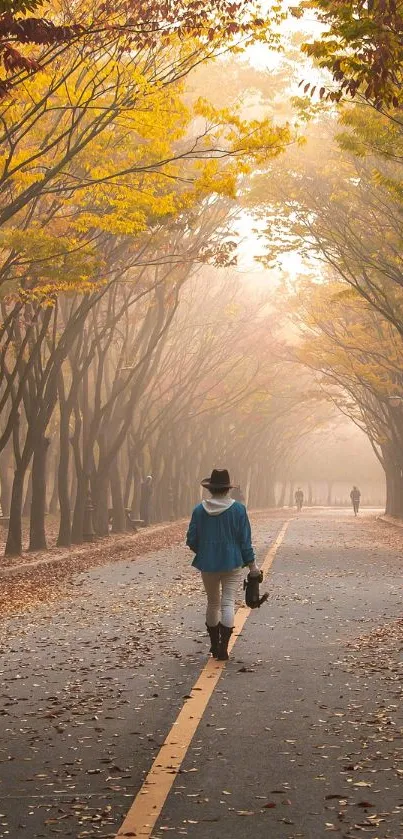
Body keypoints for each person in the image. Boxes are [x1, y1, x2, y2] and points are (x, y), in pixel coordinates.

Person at [186, 468, 260, 661]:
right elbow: (245, 541)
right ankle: (223, 648)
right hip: (233, 562)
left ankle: (213, 644)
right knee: (227, 603)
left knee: (212, 603)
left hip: (208, 564)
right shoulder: (238, 510)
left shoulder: (199, 510)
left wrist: (204, 552)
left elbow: (191, 539)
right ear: (227, 489)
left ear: (210, 489)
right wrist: (252, 566)